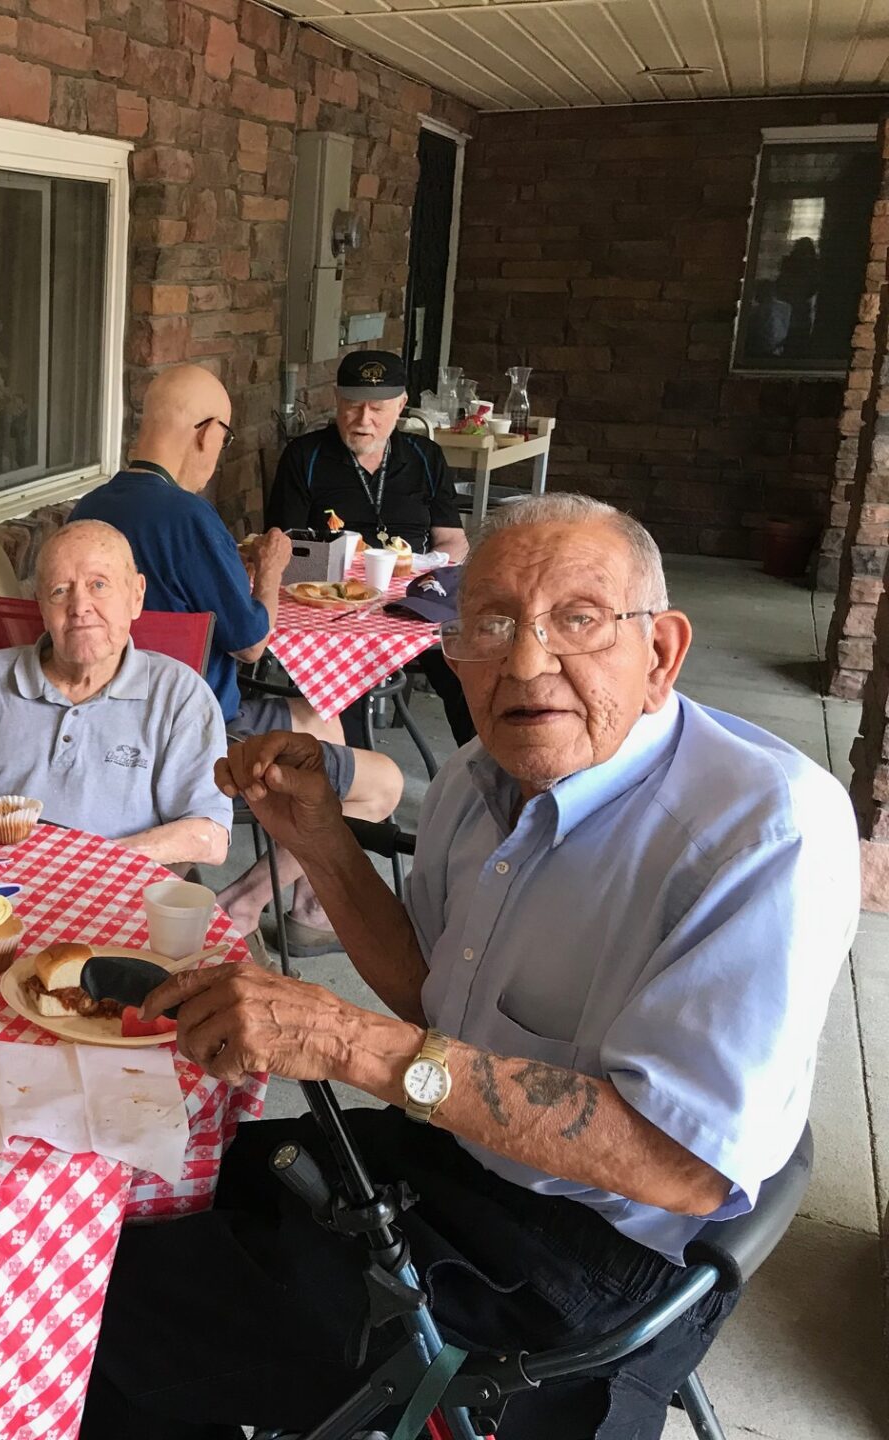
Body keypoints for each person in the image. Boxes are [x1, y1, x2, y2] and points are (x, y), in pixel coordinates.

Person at [80, 494, 858, 1439]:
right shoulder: (479, 776)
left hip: (588, 1256)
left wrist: (354, 1045)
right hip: (458, 1161)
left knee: (104, 1310)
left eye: (578, 620)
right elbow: (430, 994)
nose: (526, 663)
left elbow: (684, 1164)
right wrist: (325, 844)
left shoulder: (766, 827)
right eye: (490, 624)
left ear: (660, 653)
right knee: (145, 1194)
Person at [73, 364, 404, 951]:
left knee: (318, 717)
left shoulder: (88, 511)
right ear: (206, 434)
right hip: (199, 731)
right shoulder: (189, 515)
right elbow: (252, 642)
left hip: (104, 721)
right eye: (222, 441)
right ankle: (247, 903)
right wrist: (270, 573)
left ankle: (301, 901)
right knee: (383, 785)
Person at [0, 519, 233, 867]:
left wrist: (88, 863)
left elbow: (209, 835)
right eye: (60, 590)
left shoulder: (179, 695)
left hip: (106, 895)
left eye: (99, 585)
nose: (80, 607)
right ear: (41, 606)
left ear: (136, 596)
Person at [266, 348, 476, 746]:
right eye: (353, 405)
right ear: (336, 400)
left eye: (378, 408)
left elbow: (452, 539)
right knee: (342, 679)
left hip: (417, 603)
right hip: (335, 606)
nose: (364, 420)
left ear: (401, 405)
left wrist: (429, 572)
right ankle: (356, 778)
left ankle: (485, 775)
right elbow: (284, 544)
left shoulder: (425, 457)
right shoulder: (305, 456)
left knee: (468, 666)